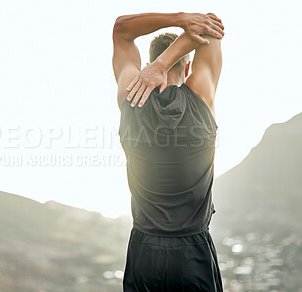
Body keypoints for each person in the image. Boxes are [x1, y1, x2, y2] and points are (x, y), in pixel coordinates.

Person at [112, 12, 225, 291]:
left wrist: (178, 20)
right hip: (193, 254)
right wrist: (166, 62)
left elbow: (121, 30)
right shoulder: (202, 96)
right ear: (188, 69)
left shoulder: (130, 96)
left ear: (146, 65)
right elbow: (212, 28)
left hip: (144, 252)